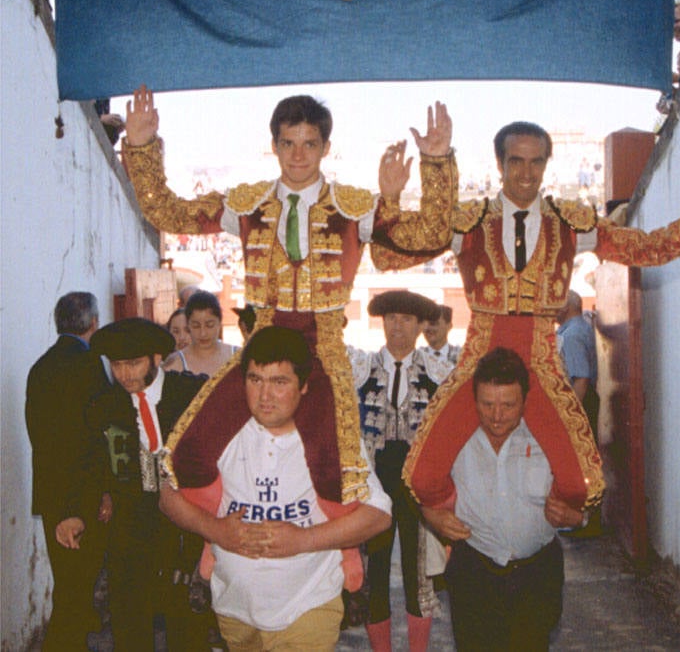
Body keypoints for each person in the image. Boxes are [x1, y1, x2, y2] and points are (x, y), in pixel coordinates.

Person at [374, 118, 680, 518]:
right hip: (478, 363)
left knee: (578, 487)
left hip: (539, 366)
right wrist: (393, 197)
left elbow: (649, 248)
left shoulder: (570, 225)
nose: (526, 173)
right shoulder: (469, 222)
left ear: (546, 165)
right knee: (422, 480)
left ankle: (531, 530)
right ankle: (468, 527)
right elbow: (388, 256)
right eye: (516, 161)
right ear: (500, 164)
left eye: (535, 162)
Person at [122, 86, 454, 508]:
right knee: (190, 451)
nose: (299, 155)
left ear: (325, 148)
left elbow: (430, 235)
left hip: (323, 353)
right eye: (289, 144)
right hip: (261, 344)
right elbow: (168, 212)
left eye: (309, 144)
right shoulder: (246, 205)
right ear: (275, 146)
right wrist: (140, 146)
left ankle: (344, 558)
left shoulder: (355, 208)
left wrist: (437, 162)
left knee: (335, 475)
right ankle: (217, 536)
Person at [159, 325, 392, 651]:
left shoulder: (329, 440)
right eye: (255, 380)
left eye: (279, 382)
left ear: (304, 385)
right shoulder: (221, 434)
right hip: (234, 610)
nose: (264, 395)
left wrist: (303, 540)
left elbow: (379, 515)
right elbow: (167, 495)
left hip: (307, 609)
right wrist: (214, 529)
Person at [62, 317, 210, 651]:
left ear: (156, 359)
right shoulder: (105, 406)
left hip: (184, 527)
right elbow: (88, 465)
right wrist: (74, 512)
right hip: (130, 529)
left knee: (187, 624)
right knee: (130, 624)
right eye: (117, 365)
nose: (125, 374)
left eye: (134, 364)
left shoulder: (189, 394)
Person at [421, 347, 583, 651]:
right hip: (475, 573)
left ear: (524, 401)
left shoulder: (549, 439)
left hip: (536, 575)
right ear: (474, 400)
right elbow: (421, 485)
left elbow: (583, 494)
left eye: (508, 405)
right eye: (487, 404)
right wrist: (431, 514)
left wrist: (577, 518)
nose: (496, 416)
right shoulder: (453, 439)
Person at [350, 290, 450, 651]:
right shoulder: (361, 366)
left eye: (406, 319)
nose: (397, 326)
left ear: (422, 325)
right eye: (391, 317)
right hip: (375, 482)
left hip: (417, 483)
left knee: (418, 572)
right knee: (376, 572)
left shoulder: (439, 370)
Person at [25, 292, 109, 651]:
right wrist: (78, 508)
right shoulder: (90, 367)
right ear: (94, 323)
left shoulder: (40, 367)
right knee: (75, 598)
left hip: (55, 499)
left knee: (69, 590)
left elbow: (42, 441)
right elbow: (92, 443)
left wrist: (59, 509)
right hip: (80, 502)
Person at [556, 290, 599, 438]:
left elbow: (581, 379)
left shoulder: (571, 335)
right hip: (586, 397)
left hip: (579, 398)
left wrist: (571, 416)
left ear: (565, 307)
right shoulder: (581, 328)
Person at [164, 290, 237, 377]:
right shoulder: (175, 364)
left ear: (219, 323)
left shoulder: (238, 357)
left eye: (209, 325)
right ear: (188, 324)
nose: (203, 333)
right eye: (196, 326)